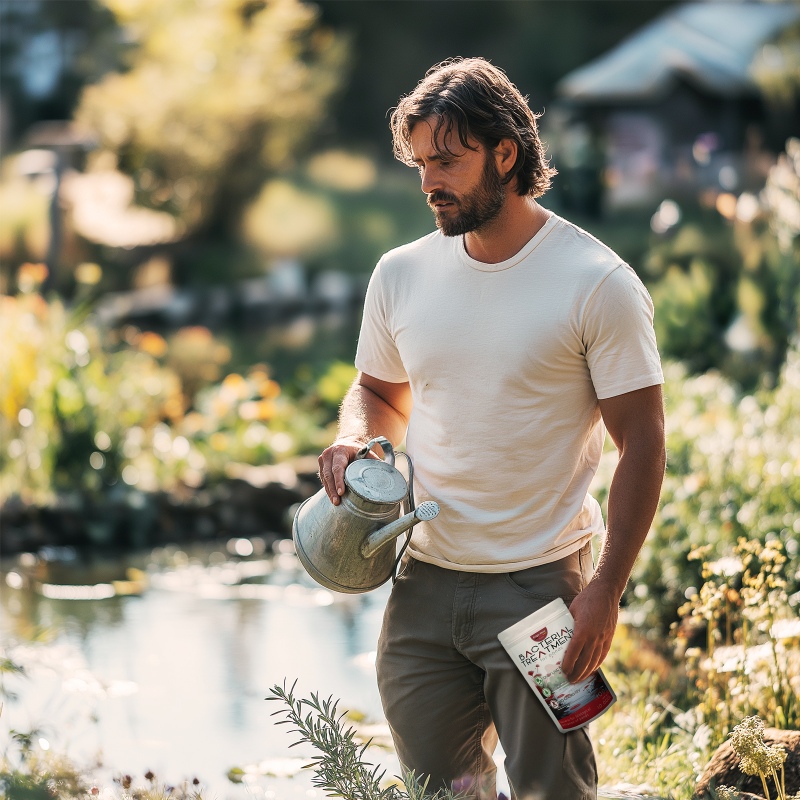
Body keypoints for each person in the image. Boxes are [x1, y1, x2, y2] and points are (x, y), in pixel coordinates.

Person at [317, 57, 666, 800]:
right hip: (423, 583)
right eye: (419, 164)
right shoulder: (400, 274)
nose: (428, 182)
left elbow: (644, 443)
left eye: (446, 160)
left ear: (505, 153)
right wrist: (357, 434)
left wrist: (606, 588)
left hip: (542, 589)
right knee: (439, 791)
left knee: (554, 792)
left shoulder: (597, 283)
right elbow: (377, 389)